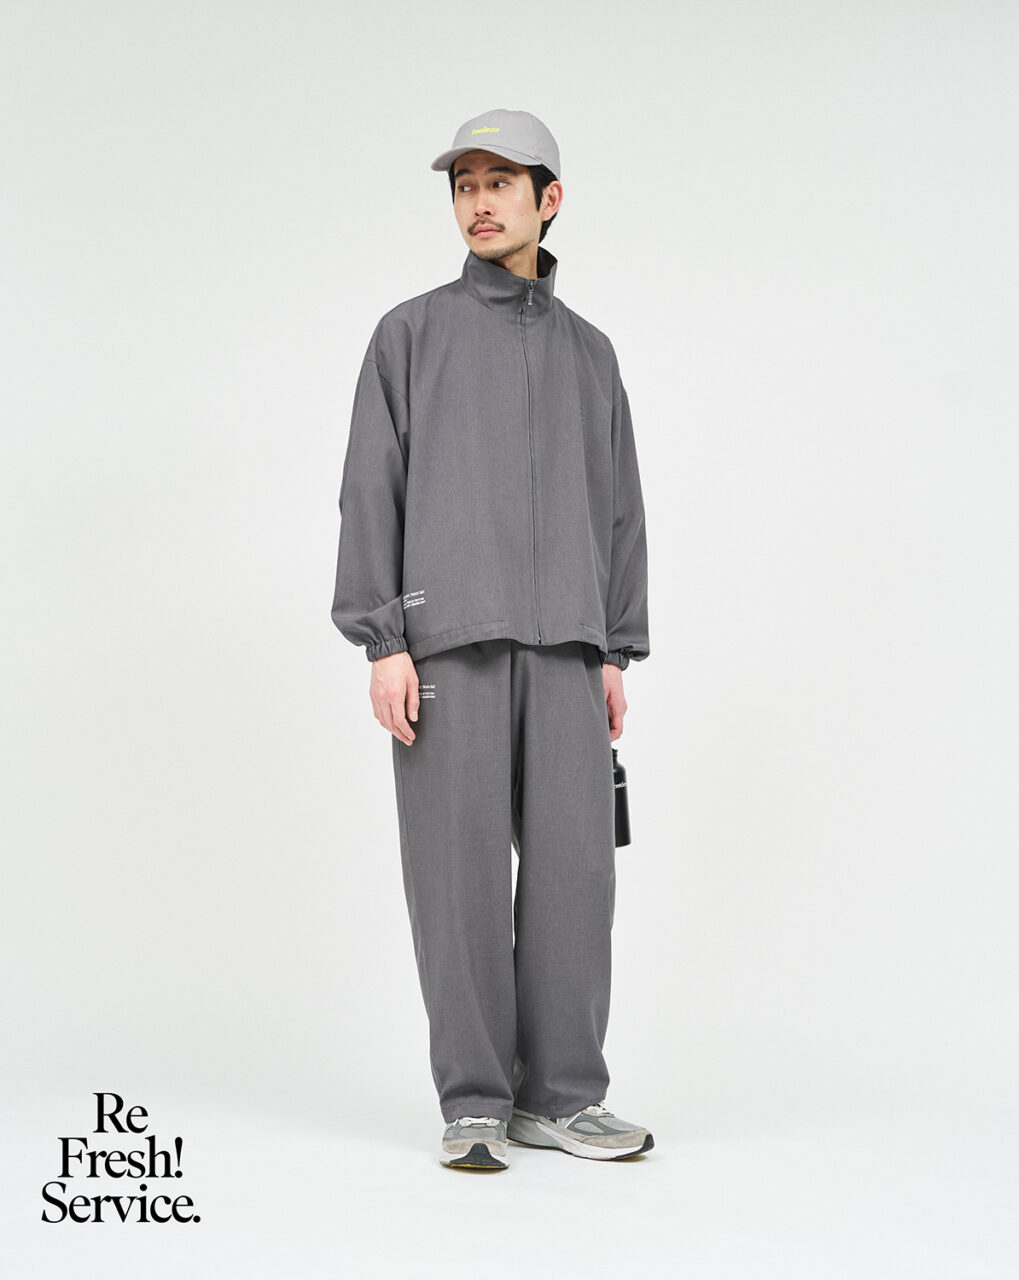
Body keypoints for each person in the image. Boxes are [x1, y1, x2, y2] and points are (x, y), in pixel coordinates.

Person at [330, 108, 654, 1171]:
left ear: (547, 199)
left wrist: (613, 648)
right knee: (458, 881)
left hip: (567, 649)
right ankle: (473, 1097)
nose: (478, 202)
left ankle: (562, 1095)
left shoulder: (591, 355)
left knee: (576, 880)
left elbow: (619, 508)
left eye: (499, 182)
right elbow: (369, 490)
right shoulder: (409, 335)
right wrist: (383, 637)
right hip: (446, 644)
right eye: (464, 184)